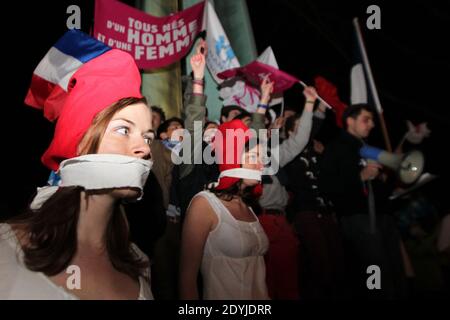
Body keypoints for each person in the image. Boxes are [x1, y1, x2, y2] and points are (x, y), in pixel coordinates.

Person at [0, 30, 154, 300]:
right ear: (79, 142)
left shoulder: (138, 263)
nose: (144, 148)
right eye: (123, 130)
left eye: (147, 136)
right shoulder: (6, 248)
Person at [319, 103, 407, 299]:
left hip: (383, 217)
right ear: (350, 121)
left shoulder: (369, 149)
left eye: (373, 120)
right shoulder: (336, 148)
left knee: (393, 268)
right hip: (359, 219)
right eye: (366, 119)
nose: (372, 125)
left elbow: (380, 188)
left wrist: (391, 178)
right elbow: (327, 186)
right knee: (373, 268)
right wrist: (360, 177)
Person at [179, 119, 269, 300]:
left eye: (262, 158)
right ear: (232, 156)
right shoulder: (204, 205)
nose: (261, 165)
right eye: (253, 157)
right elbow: (186, 278)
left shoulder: (249, 207)